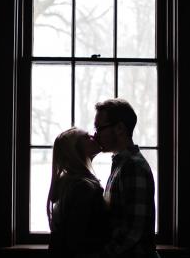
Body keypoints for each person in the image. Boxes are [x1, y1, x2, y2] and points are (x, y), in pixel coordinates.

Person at [93, 98, 159, 258]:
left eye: (100, 128)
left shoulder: (132, 166)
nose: (96, 134)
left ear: (120, 128)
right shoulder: (121, 164)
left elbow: (132, 231)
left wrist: (102, 255)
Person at [47, 127, 111, 258]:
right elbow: (77, 241)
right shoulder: (83, 187)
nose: (94, 136)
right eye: (87, 137)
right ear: (75, 150)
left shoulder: (72, 184)